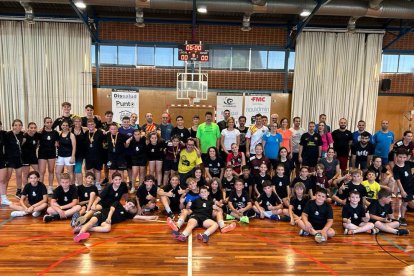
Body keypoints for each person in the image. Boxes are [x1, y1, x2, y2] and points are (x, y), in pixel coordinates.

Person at [73, 200, 156, 243]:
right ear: (126, 202)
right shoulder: (118, 203)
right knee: (91, 223)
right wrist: (109, 218)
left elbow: (140, 217)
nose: (130, 206)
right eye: (129, 203)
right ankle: (80, 234)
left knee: (107, 229)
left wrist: (153, 217)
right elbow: (112, 210)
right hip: (101, 215)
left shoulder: (127, 214)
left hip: (106, 222)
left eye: (132, 206)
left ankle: (81, 228)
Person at [392, 149, 414, 227]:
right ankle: (402, 218)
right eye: (400, 157)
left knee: (406, 203)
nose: (402, 159)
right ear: (396, 157)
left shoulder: (408, 163)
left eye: (404, 157)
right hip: (406, 188)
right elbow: (398, 181)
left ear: (406, 158)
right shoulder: (396, 168)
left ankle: (402, 217)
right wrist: (402, 191)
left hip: (413, 185)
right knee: (406, 203)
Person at [38, 117, 59, 195]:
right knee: (42, 171)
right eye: (47, 122)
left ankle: (50, 187)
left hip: (51, 154)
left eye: (50, 122)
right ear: (44, 123)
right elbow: (37, 143)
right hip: (42, 154)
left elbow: (57, 143)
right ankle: (40, 188)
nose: (49, 124)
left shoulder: (55, 133)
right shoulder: (40, 132)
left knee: (51, 170)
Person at [5, 119, 24, 199]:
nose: (17, 127)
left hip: (18, 158)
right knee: (7, 177)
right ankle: (3, 194)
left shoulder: (22, 134)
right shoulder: (8, 134)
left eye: (19, 125)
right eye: (15, 125)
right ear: (12, 126)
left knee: (19, 175)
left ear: (21, 126)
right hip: (9, 159)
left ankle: (18, 191)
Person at [84, 119, 106, 191]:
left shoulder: (100, 132)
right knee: (89, 170)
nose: (90, 126)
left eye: (92, 124)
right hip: (88, 155)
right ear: (87, 125)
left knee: (97, 170)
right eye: (89, 124)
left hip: (98, 154)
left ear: (95, 125)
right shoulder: (86, 133)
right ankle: (91, 183)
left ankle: (97, 183)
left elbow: (105, 141)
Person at [55, 120, 76, 185]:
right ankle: (60, 186)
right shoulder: (59, 133)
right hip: (60, 156)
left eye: (66, 125)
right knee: (57, 172)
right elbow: (56, 143)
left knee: (70, 172)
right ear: (61, 126)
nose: (65, 126)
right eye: (63, 125)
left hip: (69, 156)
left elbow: (74, 147)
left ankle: (70, 186)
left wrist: (73, 156)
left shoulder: (71, 135)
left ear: (68, 126)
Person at [119, 116, 135, 188]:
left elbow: (137, 136)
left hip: (130, 153)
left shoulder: (133, 130)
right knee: (121, 169)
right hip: (121, 153)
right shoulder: (119, 130)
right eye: (124, 122)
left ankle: (131, 182)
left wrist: (130, 138)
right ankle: (122, 183)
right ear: (122, 122)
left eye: (127, 122)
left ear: (129, 122)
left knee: (129, 168)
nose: (126, 123)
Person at [71, 116, 87, 186]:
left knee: (78, 169)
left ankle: (81, 186)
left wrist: (104, 131)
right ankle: (73, 184)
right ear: (73, 122)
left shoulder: (85, 129)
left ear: (81, 122)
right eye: (76, 121)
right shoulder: (70, 129)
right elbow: (60, 132)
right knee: (72, 170)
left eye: (79, 121)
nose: (77, 123)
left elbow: (95, 129)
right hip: (71, 153)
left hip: (81, 153)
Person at [0, 121, 10, 205]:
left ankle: (3, 198)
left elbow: (14, 132)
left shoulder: (3, 134)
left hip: (1, 159)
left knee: (2, 180)